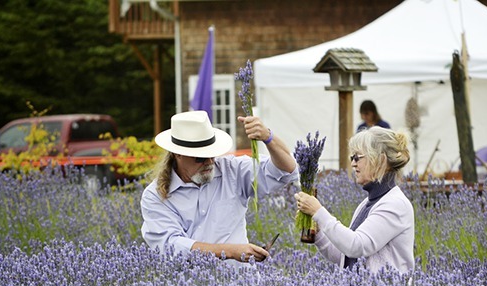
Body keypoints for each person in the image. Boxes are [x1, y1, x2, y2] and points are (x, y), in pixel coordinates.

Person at [140, 110, 298, 263]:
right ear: (178, 154)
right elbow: (171, 246)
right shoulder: (155, 196)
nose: (209, 162)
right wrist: (230, 252)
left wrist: (268, 138)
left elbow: (287, 171)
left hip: (241, 284)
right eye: (200, 158)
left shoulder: (231, 170)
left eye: (212, 154)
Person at [294, 126, 414, 275]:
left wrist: (319, 212)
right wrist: (317, 232)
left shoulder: (395, 204)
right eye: (352, 158)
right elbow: (345, 256)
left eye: (357, 157)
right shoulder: (367, 204)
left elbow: (357, 246)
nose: (353, 164)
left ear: (380, 160)